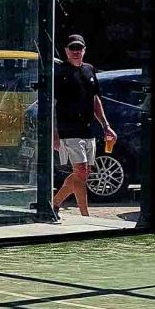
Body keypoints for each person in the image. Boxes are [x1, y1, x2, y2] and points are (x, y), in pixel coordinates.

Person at [52, 33, 116, 218]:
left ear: (84, 50)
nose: (76, 52)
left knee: (84, 172)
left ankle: (54, 203)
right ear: (66, 51)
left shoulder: (89, 70)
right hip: (68, 129)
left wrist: (106, 125)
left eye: (79, 48)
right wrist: (54, 132)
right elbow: (51, 104)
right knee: (80, 171)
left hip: (87, 129)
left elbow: (95, 99)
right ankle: (84, 215)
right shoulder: (60, 73)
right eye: (72, 48)